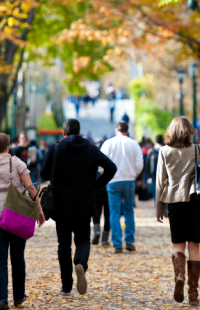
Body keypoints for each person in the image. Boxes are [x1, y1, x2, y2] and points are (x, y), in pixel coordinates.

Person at [155, 116, 200, 306]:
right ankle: (193, 293)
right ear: (190, 132)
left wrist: (159, 208)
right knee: (194, 247)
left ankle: (179, 275)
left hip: (175, 203)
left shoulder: (164, 152)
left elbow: (160, 183)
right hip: (196, 202)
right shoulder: (199, 150)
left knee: (178, 245)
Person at [41, 119, 117, 296]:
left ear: (63, 132)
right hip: (84, 202)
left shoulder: (56, 148)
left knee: (63, 245)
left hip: (61, 204)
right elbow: (111, 167)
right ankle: (81, 263)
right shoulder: (90, 149)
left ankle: (66, 285)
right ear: (79, 131)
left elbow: (44, 173)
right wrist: (96, 184)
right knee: (83, 240)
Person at [0, 132, 45, 310]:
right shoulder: (17, 163)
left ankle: (1, 299)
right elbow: (30, 188)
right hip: (16, 213)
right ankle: (19, 296)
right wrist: (39, 209)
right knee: (17, 256)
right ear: (7, 147)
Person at [100, 121, 143, 254]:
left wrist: (106, 175)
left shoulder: (108, 143)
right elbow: (139, 164)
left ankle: (117, 243)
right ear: (127, 130)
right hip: (129, 180)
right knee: (129, 210)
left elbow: (101, 164)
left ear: (116, 130)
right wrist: (134, 174)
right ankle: (129, 241)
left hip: (113, 180)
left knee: (114, 212)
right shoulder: (134, 143)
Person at [145, 135, 164, 206]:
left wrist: (148, 175)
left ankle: (158, 209)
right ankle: (165, 209)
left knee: (155, 193)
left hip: (154, 175)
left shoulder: (151, 151)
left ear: (155, 141)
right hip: (164, 175)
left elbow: (147, 165)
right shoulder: (166, 150)